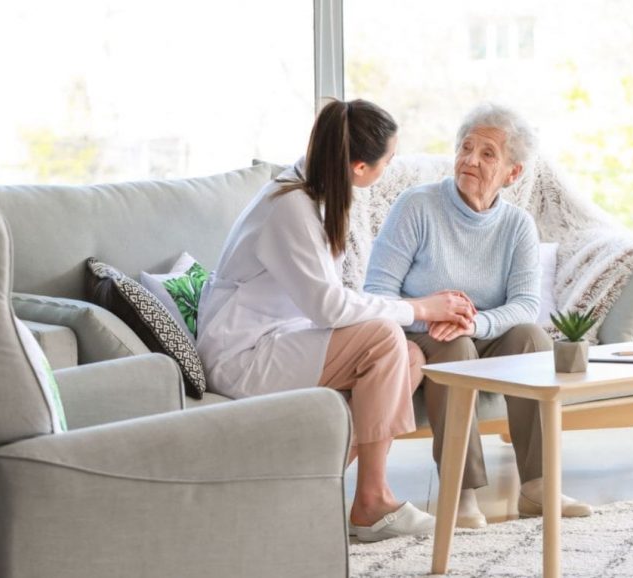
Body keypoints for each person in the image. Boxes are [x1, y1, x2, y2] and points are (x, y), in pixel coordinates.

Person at [196, 99, 476, 543]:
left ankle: (305, 486)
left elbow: (330, 303)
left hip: (277, 342)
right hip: (242, 358)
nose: (389, 168)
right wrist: (420, 308)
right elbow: (329, 308)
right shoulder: (288, 208)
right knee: (387, 339)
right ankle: (372, 502)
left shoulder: (310, 196)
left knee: (409, 356)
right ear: (360, 168)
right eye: (388, 160)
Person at [364, 102, 593, 529]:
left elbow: (526, 304)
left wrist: (476, 322)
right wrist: (432, 317)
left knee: (531, 339)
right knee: (454, 344)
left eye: (487, 153)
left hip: (481, 331)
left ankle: (538, 486)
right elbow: (377, 294)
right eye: (465, 147)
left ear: (513, 173)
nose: (470, 159)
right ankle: (461, 492)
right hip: (420, 333)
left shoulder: (518, 225)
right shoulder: (417, 207)